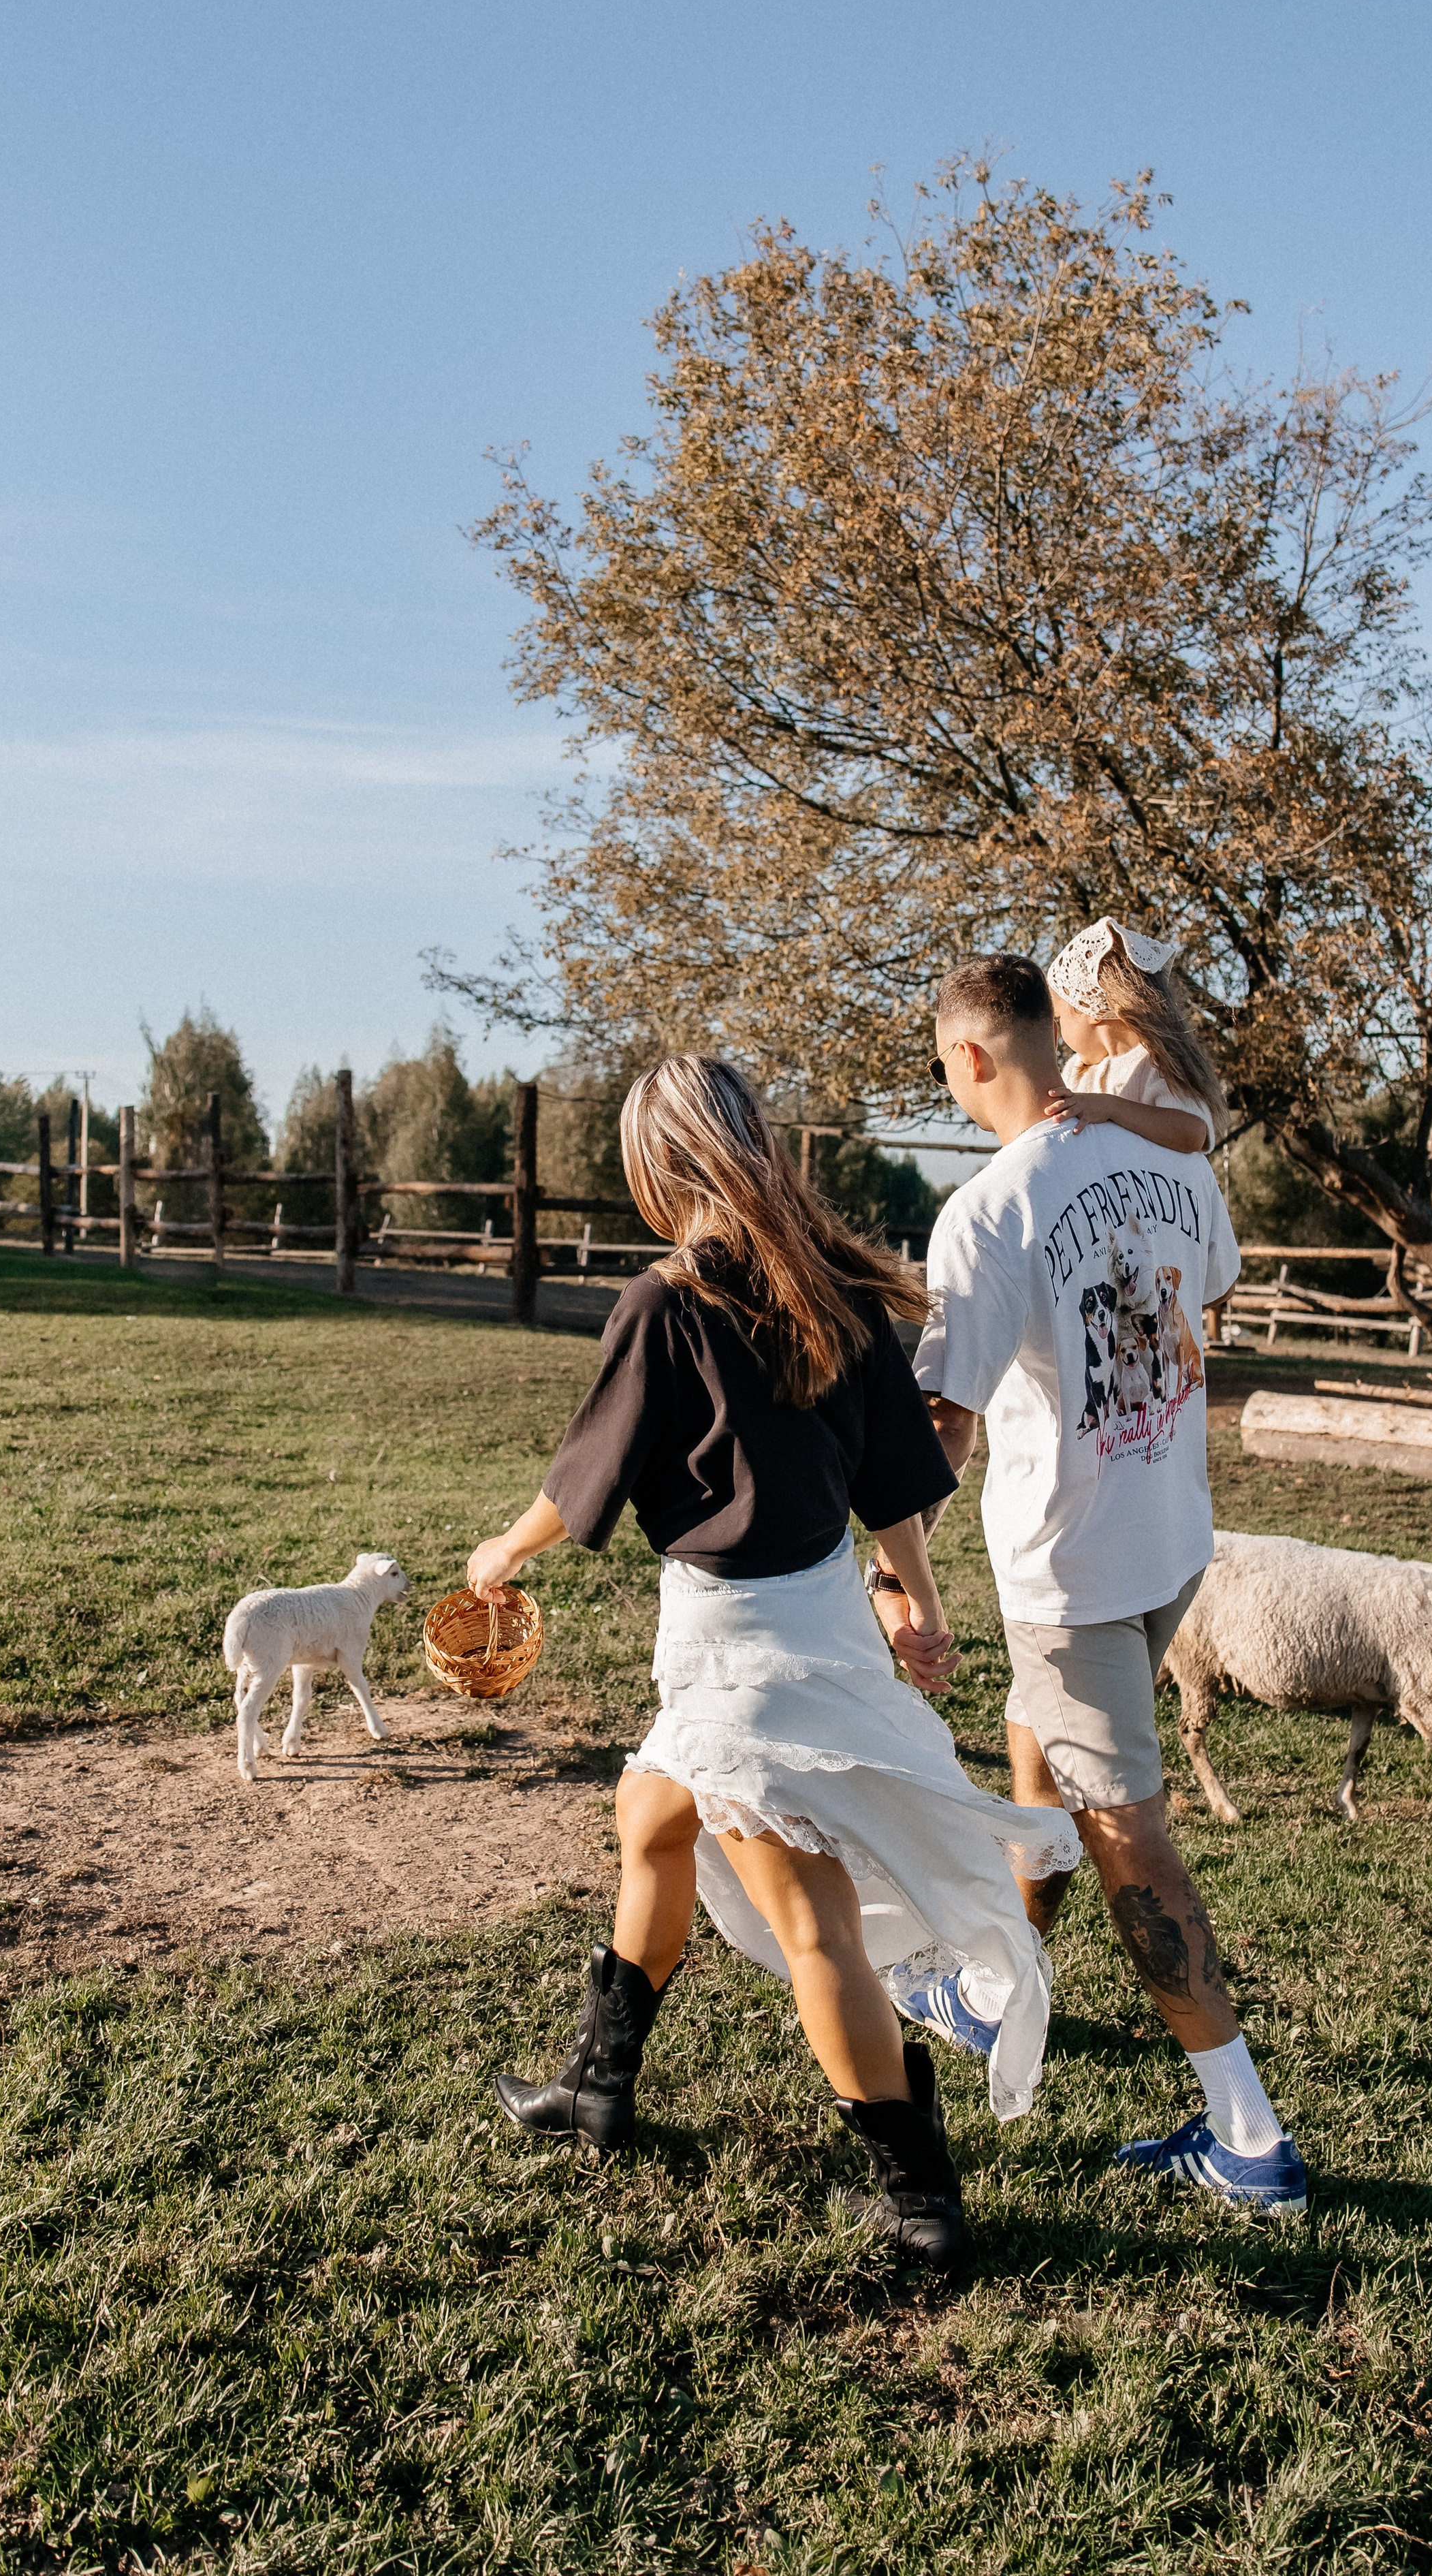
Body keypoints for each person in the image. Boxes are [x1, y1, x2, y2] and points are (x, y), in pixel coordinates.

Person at [466, 1053, 1080, 2271]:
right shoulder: (831, 1290)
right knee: (650, 1822)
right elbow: (895, 1476)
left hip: (742, 1652)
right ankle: (598, 2081)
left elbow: (588, 1470)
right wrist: (912, 1601)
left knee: (814, 1923)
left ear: (660, 1164)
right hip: (808, 1627)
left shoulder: (669, 1301)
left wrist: (503, 1550)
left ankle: (921, 2205)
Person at [874, 954, 1307, 2216]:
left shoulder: (989, 1211)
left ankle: (1249, 2139)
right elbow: (1204, 1303)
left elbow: (941, 1426)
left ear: (966, 1063)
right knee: (1043, 1760)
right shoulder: (1173, 1151)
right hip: (1173, 1534)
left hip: (1074, 1572)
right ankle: (999, 1991)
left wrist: (892, 1568)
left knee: (1131, 1838)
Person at [1043, 915, 1229, 1159]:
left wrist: (1112, 1107)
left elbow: (1193, 1133)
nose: (1059, 1032)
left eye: (1059, 1018)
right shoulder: (1077, 1071)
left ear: (1089, 1010)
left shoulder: (1157, 1062)